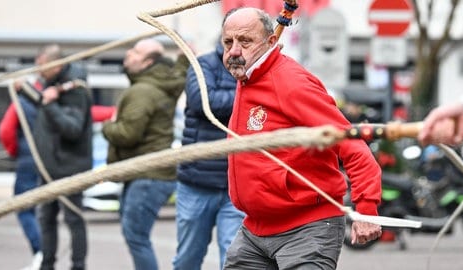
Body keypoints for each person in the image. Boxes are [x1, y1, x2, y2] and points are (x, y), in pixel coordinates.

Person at [220, 7, 382, 269]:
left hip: (307, 229)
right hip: (254, 229)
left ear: (271, 42)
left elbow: (351, 144)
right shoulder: (247, 76)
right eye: (228, 42)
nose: (234, 51)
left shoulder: (291, 83)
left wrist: (366, 208)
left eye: (245, 41)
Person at [101, 38, 189, 270]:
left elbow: (128, 134)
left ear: (148, 62)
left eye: (136, 52)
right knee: (136, 235)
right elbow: (179, 73)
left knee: (136, 237)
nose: (129, 53)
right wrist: (183, 57)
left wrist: (107, 126)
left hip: (148, 175)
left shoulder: (143, 91)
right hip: (149, 173)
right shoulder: (164, 82)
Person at [172, 40, 244, 270]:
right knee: (187, 258)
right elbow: (203, 101)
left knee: (234, 259)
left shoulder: (256, 68)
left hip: (237, 185)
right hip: (197, 182)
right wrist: (247, 97)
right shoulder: (202, 64)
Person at [32, 44, 93, 270]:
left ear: (56, 65)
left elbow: (72, 128)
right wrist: (27, 92)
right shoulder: (52, 85)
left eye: (42, 67)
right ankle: (46, 265)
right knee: (45, 219)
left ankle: (78, 266)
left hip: (69, 166)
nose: (38, 71)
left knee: (73, 219)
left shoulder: (76, 89)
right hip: (49, 166)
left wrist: (50, 104)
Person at [0, 76, 44, 270]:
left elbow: (5, 131)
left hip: (28, 160)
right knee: (48, 211)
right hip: (49, 161)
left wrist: (15, 152)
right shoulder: (49, 98)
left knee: (24, 209)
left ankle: (40, 252)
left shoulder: (21, 103)